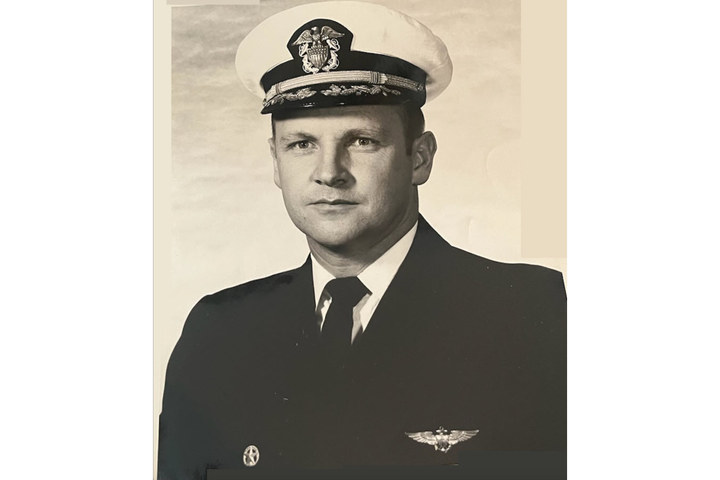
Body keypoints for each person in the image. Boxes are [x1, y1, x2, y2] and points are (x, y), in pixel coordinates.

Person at [158, 2, 567, 478]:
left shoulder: (532, 319)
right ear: (275, 162)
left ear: (419, 158)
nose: (328, 173)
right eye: (301, 144)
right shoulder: (218, 336)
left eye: (361, 141)